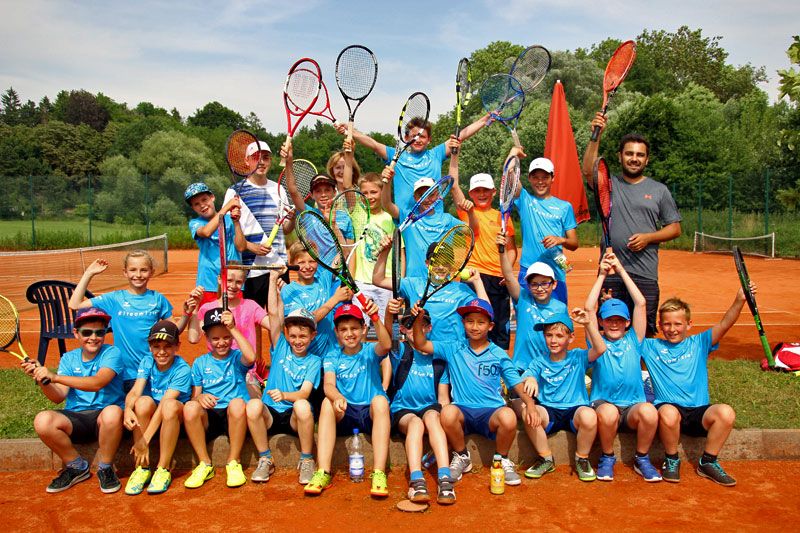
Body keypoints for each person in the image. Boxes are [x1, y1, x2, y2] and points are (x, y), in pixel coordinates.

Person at [410, 298, 539, 487]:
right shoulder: (453, 348)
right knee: (447, 413)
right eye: (470, 321)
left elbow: (516, 383)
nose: (475, 327)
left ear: (490, 326)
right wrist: (418, 320)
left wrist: (530, 405)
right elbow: (421, 344)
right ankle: (462, 455)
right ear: (463, 323)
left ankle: (501, 459)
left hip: (491, 411)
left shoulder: (498, 354)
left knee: (509, 417)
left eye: (481, 322)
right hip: (463, 410)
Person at [582, 114, 682, 336]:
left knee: (643, 335)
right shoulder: (608, 184)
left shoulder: (659, 190)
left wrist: (649, 237)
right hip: (610, 273)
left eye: (640, 155)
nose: (634, 159)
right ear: (620, 157)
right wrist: (596, 135)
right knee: (609, 334)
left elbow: (675, 228)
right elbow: (588, 170)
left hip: (645, 275)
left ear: (647, 160)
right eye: (629, 153)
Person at [641, 287, 750, 486]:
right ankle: (672, 459)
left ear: (689, 324)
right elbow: (627, 335)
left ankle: (708, 462)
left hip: (699, 411)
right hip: (669, 412)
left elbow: (725, 323)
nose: (672, 329)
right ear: (660, 325)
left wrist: (740, 300)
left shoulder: (699, 343)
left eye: (677, 324)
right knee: (668, 412)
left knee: (726, 413)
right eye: (667, 324)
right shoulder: (650, 347)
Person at [23, 307, 124, 494]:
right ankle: (76, 466)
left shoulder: (112, 353)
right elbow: (58, 396)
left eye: (99, 332)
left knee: (113, 412)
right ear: (76, 333)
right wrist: (43, 380)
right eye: (87, 332)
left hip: (105, 419)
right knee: (43, 420)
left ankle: (106, 468)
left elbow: (97, 383)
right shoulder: (68, 358)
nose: (93, 337)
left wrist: (55, 377)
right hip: (77, 418)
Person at [586, 251, 662, 482]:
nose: (614, 324)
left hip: (632, 407)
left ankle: (642, 458)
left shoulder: (634, 340)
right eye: (609, 320)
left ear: (627, 322)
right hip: (605, 404)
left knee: (650, 412)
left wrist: (620, 270)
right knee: (608, 412)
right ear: (601, 322)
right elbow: (589, 309)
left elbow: (641, 303)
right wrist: (601, 275)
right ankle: (607, 457)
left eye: (619, 320)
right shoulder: (597, 342)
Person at [304, 301, 392, 498]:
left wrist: (376, 318)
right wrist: (337, 397)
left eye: (354, 328)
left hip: (370, 412)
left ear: (364, 329)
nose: (349, 333)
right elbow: (328, 385)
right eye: (343, 329)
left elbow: (386, 344)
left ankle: (379, 473)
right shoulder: (332, 355)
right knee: (327, 402)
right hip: (346, 411)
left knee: (380, 401)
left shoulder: (370, 351)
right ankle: (323, 471)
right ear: (336, 332)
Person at [245, 272, 322, 485]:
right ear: (287, 334)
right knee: (253, 406)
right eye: (293, 336)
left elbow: (304, 393)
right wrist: (272, 281)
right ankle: (265, 458)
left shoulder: (314, 361)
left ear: (312, 336)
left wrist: (284, 395)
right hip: (270, 412)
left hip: (293, 416)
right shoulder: (281, 346)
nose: (297, 341)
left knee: (303, 406)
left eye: (303, 336)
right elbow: (273, 313)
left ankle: (307, 459)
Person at [519, 308, 606, 482]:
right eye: (549, 335)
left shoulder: (578, 356)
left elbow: (600, 348)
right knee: (528, 412)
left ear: (570, 338)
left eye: (559, 336)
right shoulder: (539, 361)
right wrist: (530, 379)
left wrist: (588, 324)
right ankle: (546, 458)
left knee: (589, 415)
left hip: (575, 410)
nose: (553, 340)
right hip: (548, 410)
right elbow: (527, 377)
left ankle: (582, 459)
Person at [69, 252, 177, 392]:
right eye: (133, 270)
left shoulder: (158, 299)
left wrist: (188, 314)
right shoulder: (115, 299)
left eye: (143, 270)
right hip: (125, 373)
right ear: (125, 272)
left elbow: (174, 330)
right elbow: (75, 304)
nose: (138, 275)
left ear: (151, 272)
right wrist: (88, 274)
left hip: (152, 369)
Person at [338, 113, 489, 212]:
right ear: (406, 137)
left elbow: (460, 136)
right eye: (414, 136)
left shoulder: (435, 154)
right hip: (405, 221)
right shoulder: (396, 155)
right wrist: (351, 132)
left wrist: (485, 119)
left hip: (433, 219)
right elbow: (373, 144)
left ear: (429, 140)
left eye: (422, 136)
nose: (418, 139)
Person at [384, 298, 455, 505]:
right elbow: (389, 332)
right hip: (403, 410)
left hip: (429, 409)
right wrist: (389, 313)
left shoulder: (438, 361)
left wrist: (446, 427)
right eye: (409, 325)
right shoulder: (400, 352)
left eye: (421, 324)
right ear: (403, 330)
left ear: (429, 328)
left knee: (433, 417)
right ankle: (417, 480)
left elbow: (443, 399)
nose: (415, 329)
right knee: (416, 423)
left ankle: (445, 478)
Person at [182, 307, 256, 489]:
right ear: (207, 338)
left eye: (226, 337)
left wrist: (233, 328)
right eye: (215, 338)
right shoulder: (200, 363)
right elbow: (195, 396)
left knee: (237, 403)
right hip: (211, 414)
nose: (221, 343)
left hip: (235, 415)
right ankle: (205, 463)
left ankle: (234, 461)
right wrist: (200, 398)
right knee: (190, 407)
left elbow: (251, 357)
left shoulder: (237, 357)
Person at [380, 141, 477, 278]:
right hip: (414, 282)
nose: (427, 199)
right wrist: (387, 182)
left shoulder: (447, 220)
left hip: (441, 281)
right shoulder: (407, 217)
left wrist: (471, 213)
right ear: (415, 197)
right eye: (422, 195)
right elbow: (386, 204)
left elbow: (472, 230)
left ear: (439, 195)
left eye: (431, 194)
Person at [452, 149, 517, 350]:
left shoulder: (503, 217)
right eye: (477, 191)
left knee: (498, 328)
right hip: (473, 277)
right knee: (472, 328)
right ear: (471, 193)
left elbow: (512, 250)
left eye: (485, 190)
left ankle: (499, 367)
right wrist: (455, 154)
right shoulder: (466, 212)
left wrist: (506, 271)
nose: (481, 194)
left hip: (498, 280)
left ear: (494, 192)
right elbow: (453, 184)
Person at [123, 320, 192, 495]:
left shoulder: (182, 369)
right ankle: (142, 468)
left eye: (168, 346)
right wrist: (127, 410)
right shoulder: (147, 361)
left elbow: (164, 405)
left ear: (177, 347)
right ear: (150, 347)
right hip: (155, 414)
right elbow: (136, 390)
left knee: (168, 405)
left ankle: (163, 468)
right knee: (142, 402)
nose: (161, 352)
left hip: (174, 417)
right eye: (156, 346)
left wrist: (144, 439)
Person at [373, 236, 485, 342]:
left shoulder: (461, 289)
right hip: (419, 350)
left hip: (451, 352)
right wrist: (385, 251)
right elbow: (378, 280)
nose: (440, 267)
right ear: (427, 263)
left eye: (445, 263)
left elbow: (486, 311)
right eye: (436, 262)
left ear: (452, 266)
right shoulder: (413, 284)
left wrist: (478, 281)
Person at [223, 140, 293, 309]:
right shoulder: (234, 192)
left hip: (279, 266)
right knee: (253, 319)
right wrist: (250, 246)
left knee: (279, 317)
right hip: (251, 270)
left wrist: (292, 218)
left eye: (266, 158)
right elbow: (229, 234)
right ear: (247, 161)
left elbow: (286, 229)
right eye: (255, 157)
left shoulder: (279, 189)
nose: (261, 162)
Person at [187, 267, 270, 396]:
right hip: (217, 371)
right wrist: (195, 307)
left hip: (246, 371)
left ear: (243, 283)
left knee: (254, 403)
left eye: (238, 282)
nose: (233, 286)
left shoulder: (250, 305)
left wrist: (277, 297)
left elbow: (273, 325)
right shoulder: (208, 308)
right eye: (229, 280)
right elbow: (193, 338)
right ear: (219, 279)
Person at [511, 148, 578, 305]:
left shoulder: (565, 207)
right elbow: (509, 176)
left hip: (555, 272)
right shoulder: (525, 200)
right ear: (529, 178)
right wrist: (513, 155)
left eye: (545, 177)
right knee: (527, 314)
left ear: (552, 178)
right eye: (535, 177)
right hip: (529, 270)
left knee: (557, 316)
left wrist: (560, 240)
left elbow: (574, 243)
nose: (540, 182)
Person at [497, 232, 567, 374]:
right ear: (528, 286)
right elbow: (509, 276)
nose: (540, 288)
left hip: (547, 368)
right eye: (534, 284)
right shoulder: (523, 299)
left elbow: (563, 340)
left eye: (544, 283)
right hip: (522, 367)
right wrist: (502, 251)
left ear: (554, 284)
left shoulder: (560, 308)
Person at [282, 241, 354, 361]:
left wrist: (338, 232)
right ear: (292, 264)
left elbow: (344, 253)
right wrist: (335, 299)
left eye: (312, 261)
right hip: (307, 359)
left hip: (331, 356)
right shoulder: (289, 291)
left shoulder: (324, 278)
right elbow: (305, 321)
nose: (308, 266)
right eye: (301, 262)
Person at [184, 182, 243, 307]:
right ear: (193, 208)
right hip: (209, 284)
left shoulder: (230, 220)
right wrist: (227, 207)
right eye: (196, 204)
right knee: (209, 317)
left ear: (212, 197)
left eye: (204, 199)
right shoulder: (195, 223)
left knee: (235, 317)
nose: (202, 205)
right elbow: (206, 232)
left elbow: (241, 246)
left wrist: (236, 222)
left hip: (233, 282)